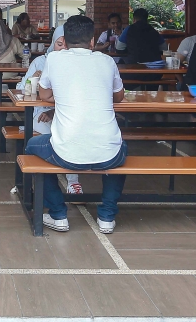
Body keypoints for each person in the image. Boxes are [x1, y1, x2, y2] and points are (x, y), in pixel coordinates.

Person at [25, 15, 126, 234]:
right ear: (92, 41)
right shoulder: (106, 60)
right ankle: (107, 217)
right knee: (122, 148)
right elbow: (118, 97)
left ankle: (58, 214)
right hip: (109, 153)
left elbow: (43, 93)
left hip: (65, 151)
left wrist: (61, 96)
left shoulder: (54, 59)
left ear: (65, 42)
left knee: (31, 147)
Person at [20, 29, 82, 195]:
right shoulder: (41, 62)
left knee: (70, 134)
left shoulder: (77, 64)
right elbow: (22, 90)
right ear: (52, 44)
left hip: (65, 113)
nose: (62, 48)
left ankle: (72, 182)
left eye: (66, 45)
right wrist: (32, 78)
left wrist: (54, 111)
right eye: (59, 44)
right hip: (40, 113)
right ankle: (62, 182)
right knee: (56, 135)